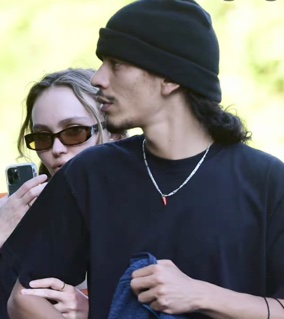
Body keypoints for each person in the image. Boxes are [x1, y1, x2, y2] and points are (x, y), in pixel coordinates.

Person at [3, 0, 284, 318]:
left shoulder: (267, 181)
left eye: (116, 63)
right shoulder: (89, 173)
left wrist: (202, 296)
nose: (98, 78)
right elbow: (25, 298)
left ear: (170, 77)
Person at [0, 68, 125, 319]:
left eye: (74, 132)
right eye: (42, 137)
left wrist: (92, 309)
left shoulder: (152, 208)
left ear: (116, 134)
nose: (57, 149)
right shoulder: (6, 210)